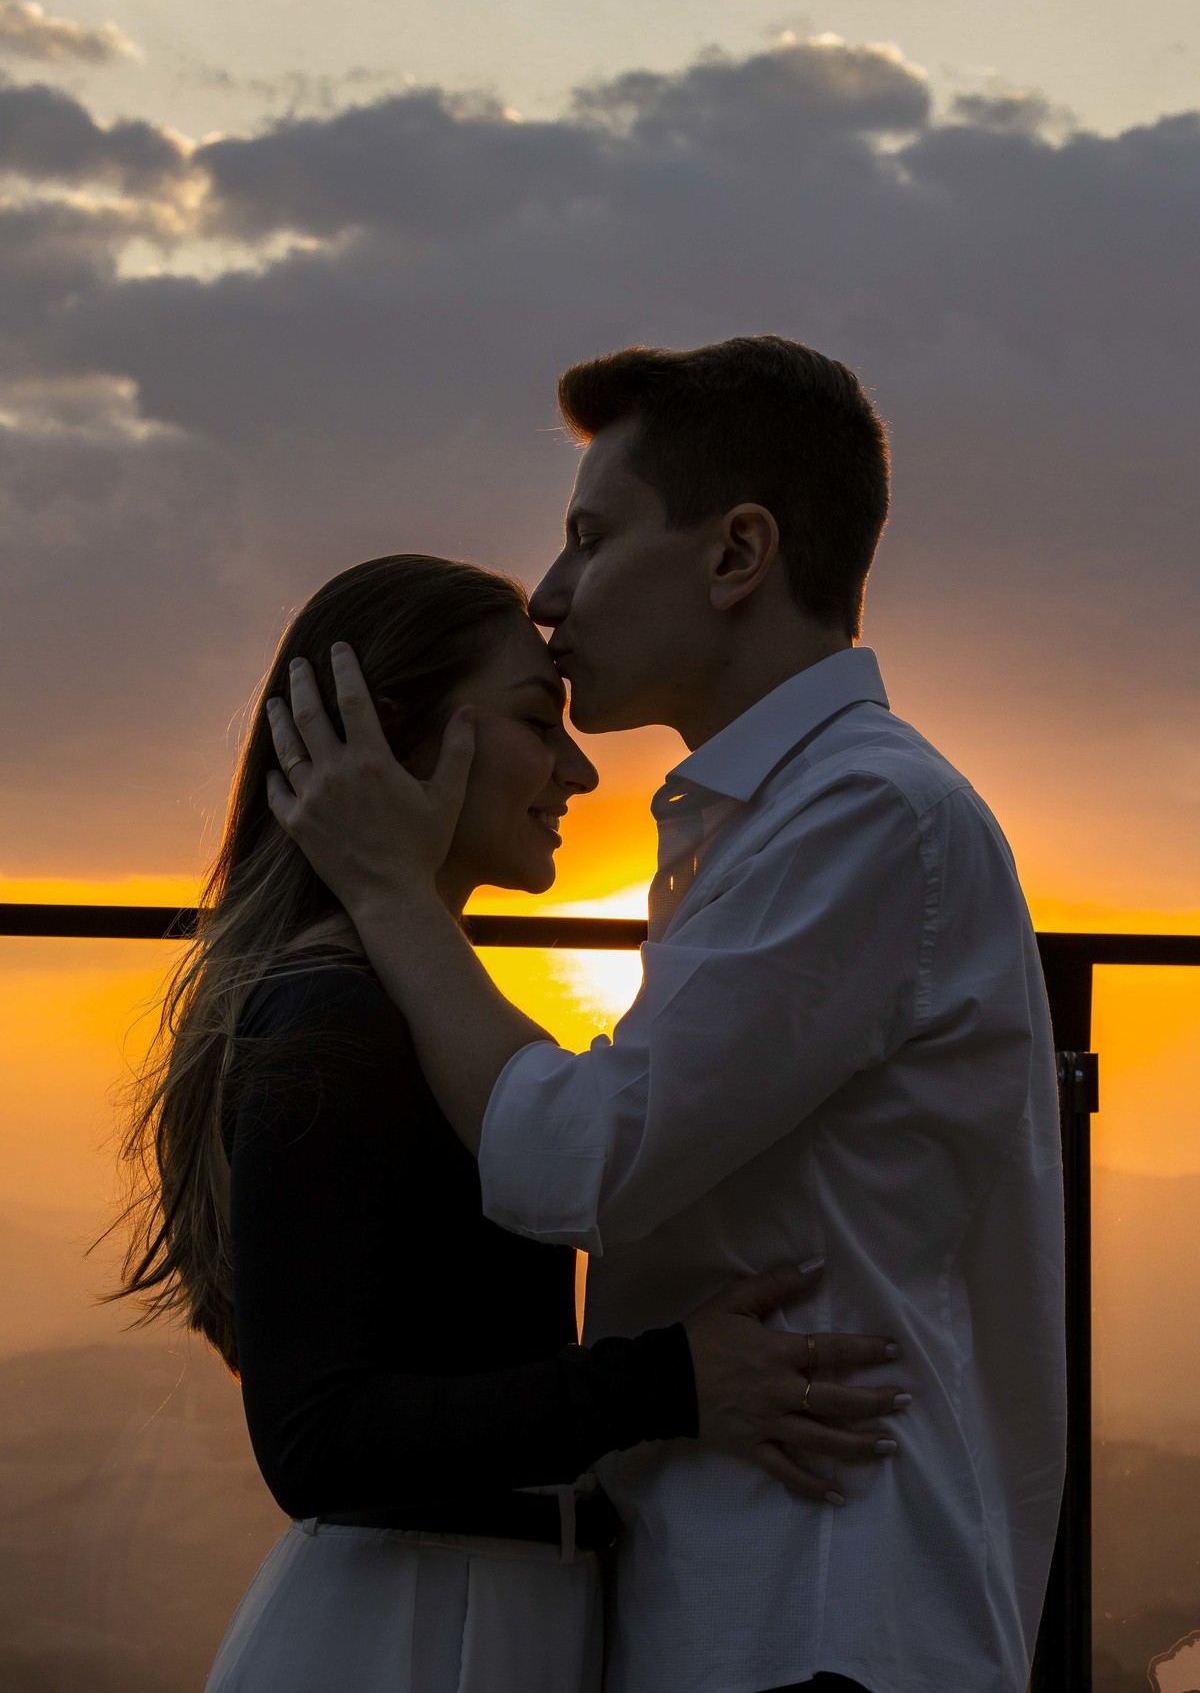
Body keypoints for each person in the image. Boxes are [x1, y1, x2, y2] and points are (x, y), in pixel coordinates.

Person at [266, 337, 1068, 1693]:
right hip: (753, 1599)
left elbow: (582, 1160)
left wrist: (394, 897)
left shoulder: (867, 816)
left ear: (736, 554)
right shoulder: (773, 827)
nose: (553, 590)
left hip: (821, 1614)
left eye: (590, 535)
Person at [109, 552, 910, 1693]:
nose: (581, 771)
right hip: (416, 1637)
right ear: (388, 741)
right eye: (542, 723)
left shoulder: (405, 1012)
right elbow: (315, 1440)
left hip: (479, 1619)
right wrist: (670, 1382)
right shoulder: (334, 1019)